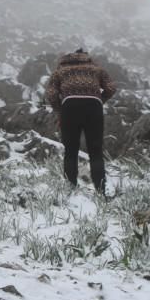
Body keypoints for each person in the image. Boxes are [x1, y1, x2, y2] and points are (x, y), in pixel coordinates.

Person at [45, 49, 116, 194]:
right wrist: (99, 100)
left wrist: (60, 110)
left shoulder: (60, 71)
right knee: (95, 151)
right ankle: (100, 191)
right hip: (93, 107)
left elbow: (51, 94)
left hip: (69, 107)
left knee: (70, 151)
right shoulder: (96, 69)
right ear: (87, 58)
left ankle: (70, 189)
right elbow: (111, 88)